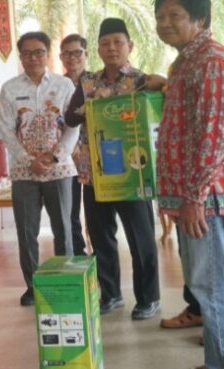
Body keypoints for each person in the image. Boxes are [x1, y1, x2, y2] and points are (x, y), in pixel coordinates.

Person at [155, 0, 224, 369]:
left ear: (200, 19)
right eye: (160, 17)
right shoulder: (185, 64)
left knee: (214, 289)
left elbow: (215, 137)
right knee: (210, 287)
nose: (165, 24)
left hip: (211, 199)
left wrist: (194, 196)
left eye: (175, 16)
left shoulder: (212, 63)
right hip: (198, 198)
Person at [65, 18, 161, 320]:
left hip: (133, 174)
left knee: (140, 238)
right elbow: (69, 118)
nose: (112, 48)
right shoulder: (88, 83)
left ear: (129, 46)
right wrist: (89, 107)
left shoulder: (141, 80)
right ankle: (111, 294)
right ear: (98, 50)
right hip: (96, 176)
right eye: (105, 44)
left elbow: (158, 105)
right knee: (101, 237)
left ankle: (148, 298)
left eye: (118, 42)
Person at [0, 32, 79, 307]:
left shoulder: (64, 84)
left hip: (60, 170)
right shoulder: (9, 88)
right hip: (24, 172)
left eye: (39, 52)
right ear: (20, 57)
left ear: (48, 54)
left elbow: (73, 126)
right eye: (28, 53)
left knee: (64, 230)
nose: (33, 58)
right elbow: (6, 131)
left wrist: (54, 157)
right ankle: (33, 288)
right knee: (26, 231)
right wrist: (27, 159)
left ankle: (66, 283)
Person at [59, 34, 89, 256]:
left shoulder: (96, 82)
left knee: (96, 211)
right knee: (70, 211)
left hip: (93, 158)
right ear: (61, 57)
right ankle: (78, 254)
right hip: (66, 159)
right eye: (67, 54)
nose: (72, 58)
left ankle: (100, 254)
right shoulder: (57, 86)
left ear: (86, 55)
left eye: (77, 52)